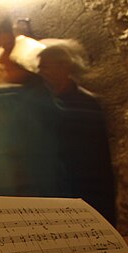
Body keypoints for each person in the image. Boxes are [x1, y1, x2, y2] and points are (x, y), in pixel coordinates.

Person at [0, 35, 66, 199]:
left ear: (23, 66)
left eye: (8, 66)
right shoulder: (46, 98)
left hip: (17, 188)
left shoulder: (13, 101)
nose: (2, 66)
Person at [37, 39, 117, 225]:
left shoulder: (87, 104)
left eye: (45, 67)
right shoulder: (44, 104)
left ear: (64, 67)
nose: (40, 73)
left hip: (85, 193)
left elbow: (97, 158)